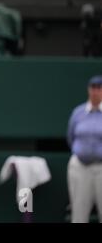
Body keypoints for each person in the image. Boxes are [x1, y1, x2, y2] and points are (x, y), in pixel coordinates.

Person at [67, 75, 102, 223]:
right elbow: (70, 136)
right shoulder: (78, 113)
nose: (95, 92)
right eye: (92, 88)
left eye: (99, 88)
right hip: (80, 167)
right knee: (79, 213)